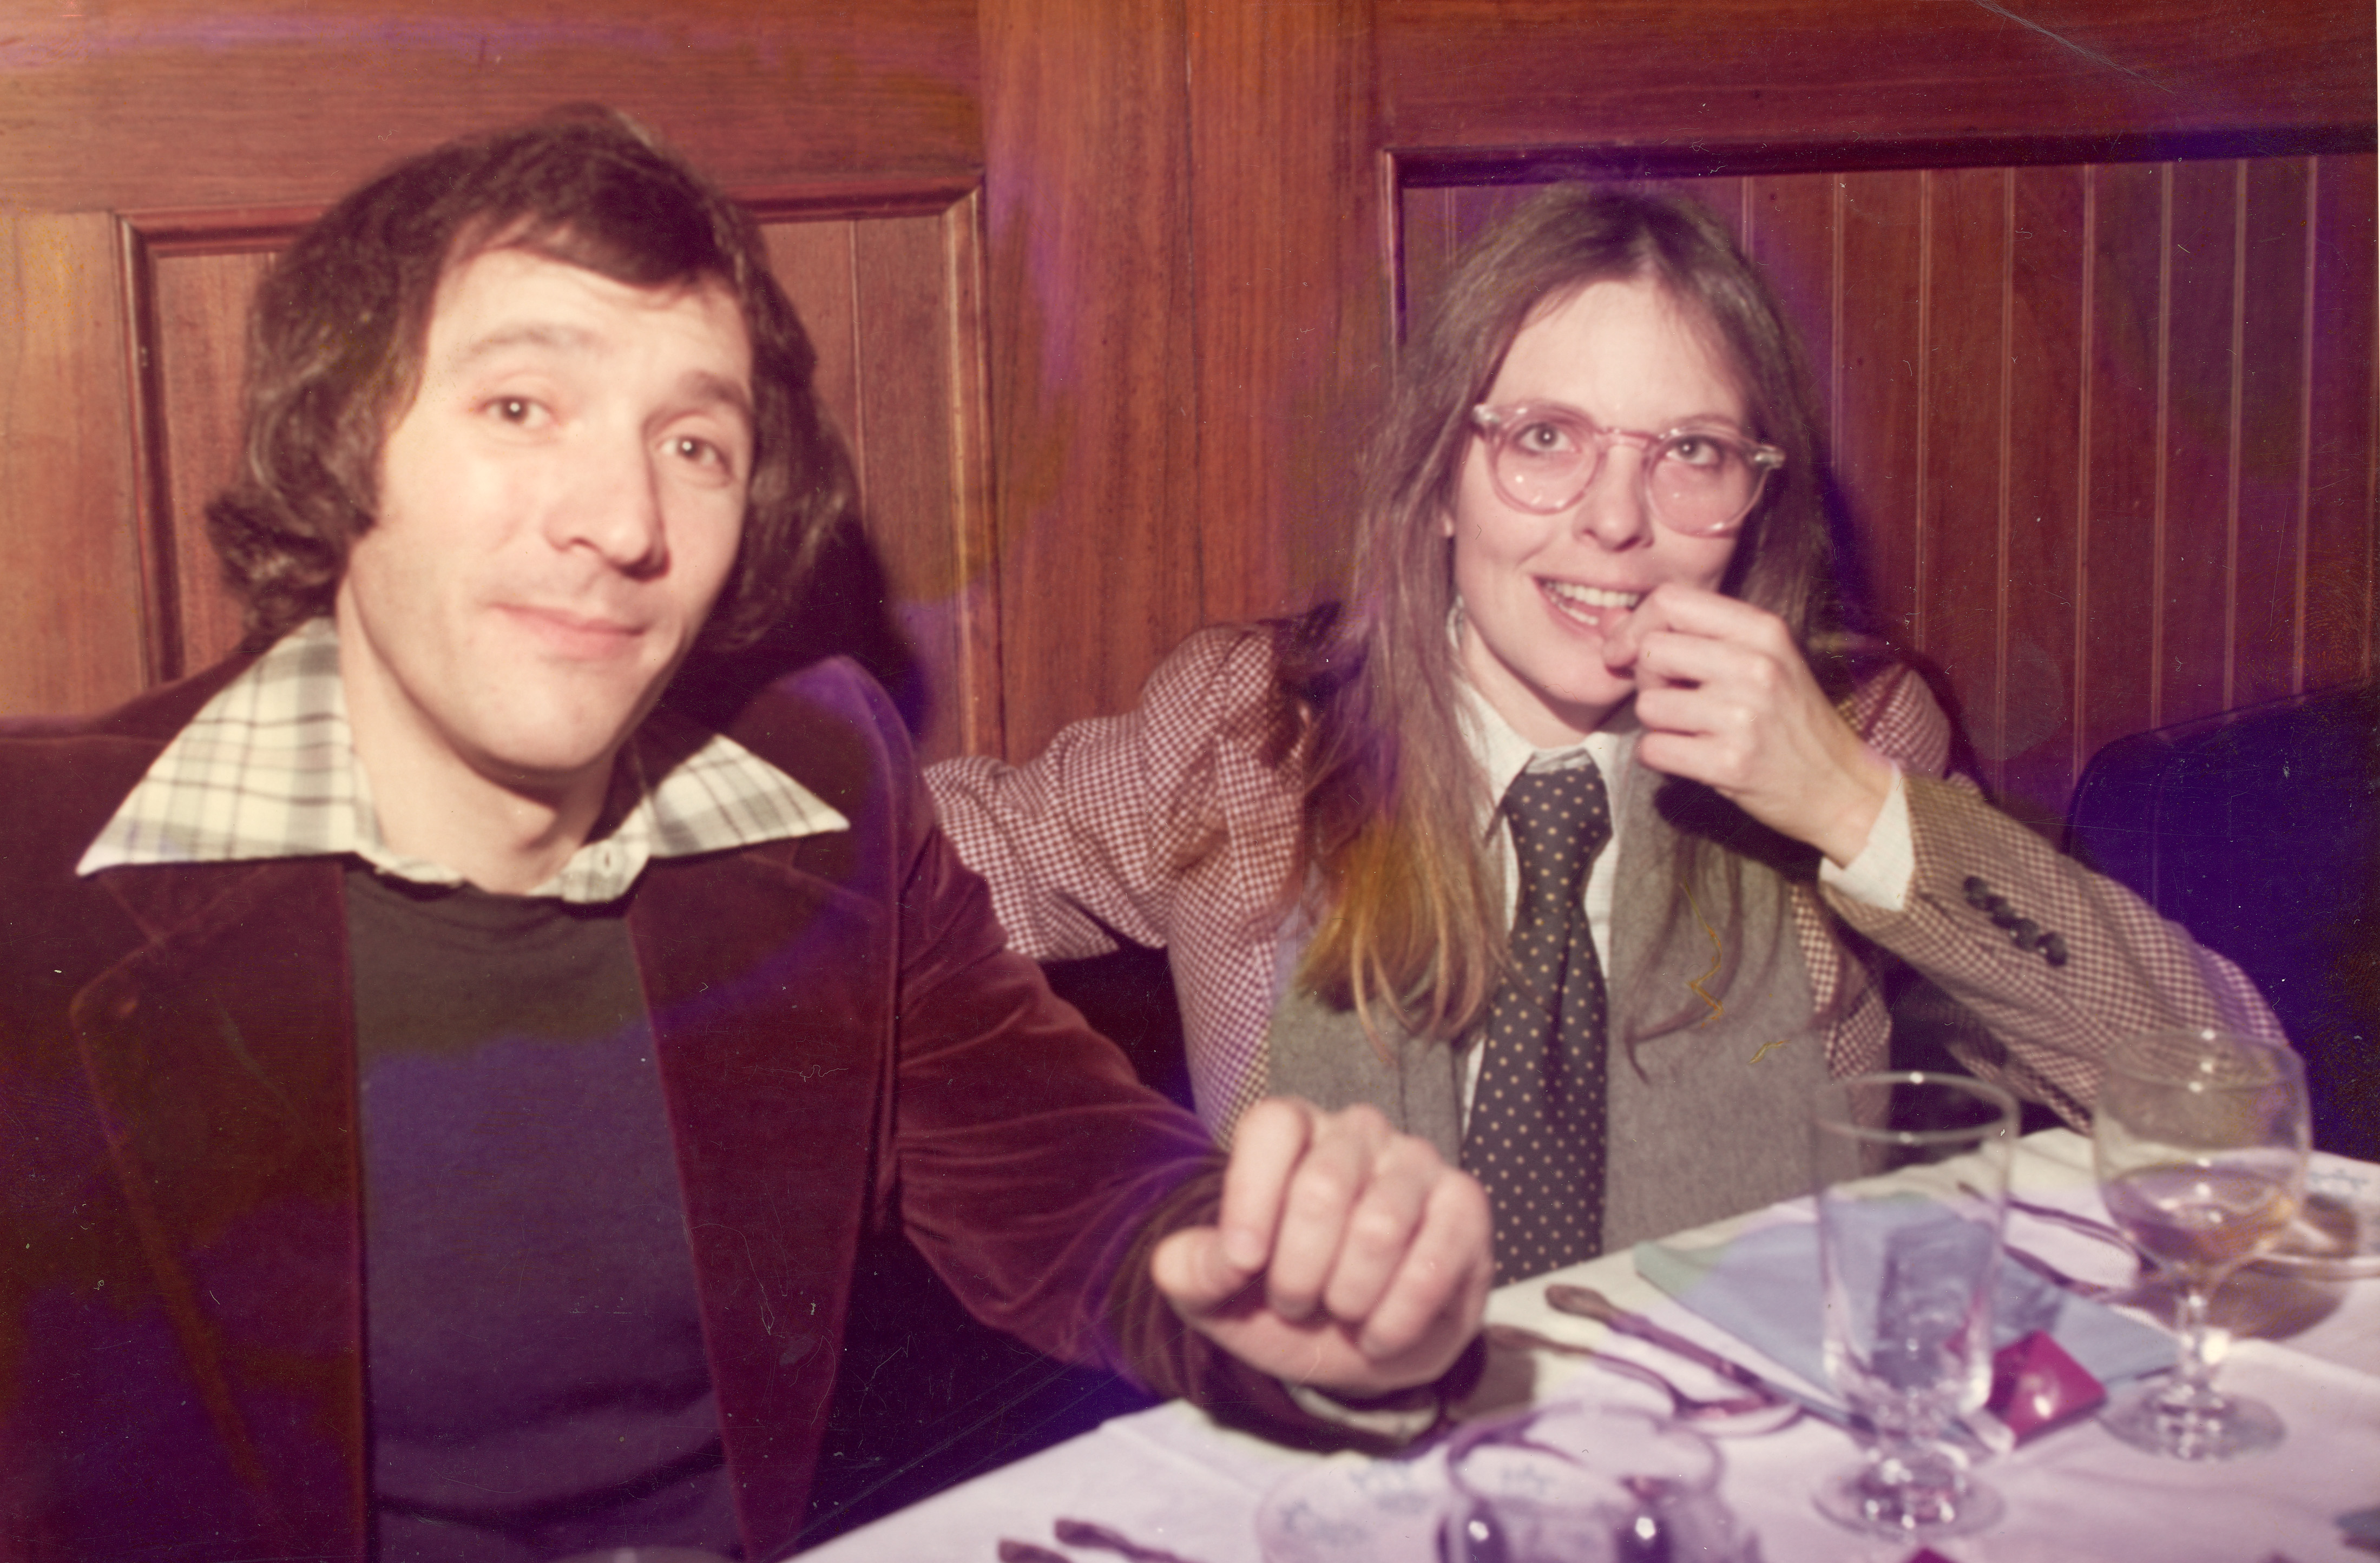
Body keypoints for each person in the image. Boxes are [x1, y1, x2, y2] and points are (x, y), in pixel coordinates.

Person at [0, 110, 1488, 1563]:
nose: (622, 519)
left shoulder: (814, 792)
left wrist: (1240, 1278)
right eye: (518, 407)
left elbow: (1045, 1153)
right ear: (344, 443)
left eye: (694, 443)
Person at [930, 184, 2280, 1282]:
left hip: (1737, 1477)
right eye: (1544, 437)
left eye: (1688, 452)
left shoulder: (1860, 730)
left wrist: (1860, 812)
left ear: (1754, 498)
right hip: (1354, 1478)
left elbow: (2229, 1099)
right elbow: (921, 847)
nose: (1615, 522)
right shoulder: (1249, 735)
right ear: (1437, 481)